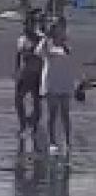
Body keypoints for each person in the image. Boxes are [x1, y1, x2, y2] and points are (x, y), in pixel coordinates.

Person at [37, 23, 76, 156]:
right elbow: (38, 52)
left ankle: (68, 140)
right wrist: (45, 38)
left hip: (65, 82)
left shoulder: (66, 47)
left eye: (62, 32)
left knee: (66, 114)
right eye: (58, 32)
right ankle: (52, 142)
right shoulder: (48, 47)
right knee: (52, 114)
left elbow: (70, 53)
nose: (61, 34)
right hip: (52, 83)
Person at [15, 16, 43, 139]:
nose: (28, 27)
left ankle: (33, 125)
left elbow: (43, 54)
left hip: (38, 73)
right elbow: (19, 55)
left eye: (31, 24)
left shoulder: (41, 38)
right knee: (18, 99)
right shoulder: (22, 39)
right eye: (27, 25)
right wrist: (16, 70)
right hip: (25, 73)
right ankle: (22, 124)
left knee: (37, 101)